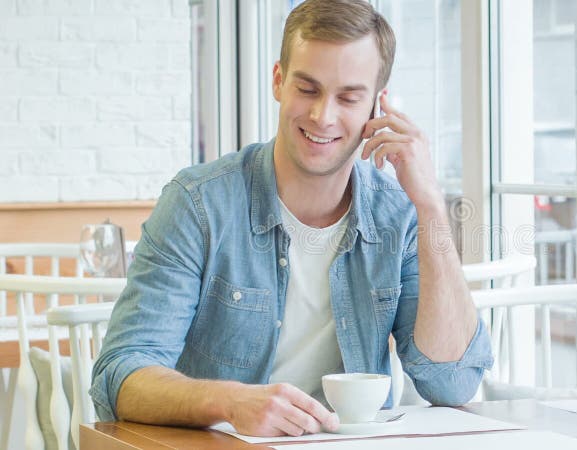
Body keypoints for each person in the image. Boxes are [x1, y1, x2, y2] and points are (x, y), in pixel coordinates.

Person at [91, 0, 492, 438]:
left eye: (348, 97)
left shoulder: (398, 214)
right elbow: (120, 377)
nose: (323, 116)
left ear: (377, 107)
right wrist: (229, 401)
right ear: (278, 80)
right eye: (308, 89)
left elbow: (453, 383)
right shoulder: (198, 204)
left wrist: (430, 203)